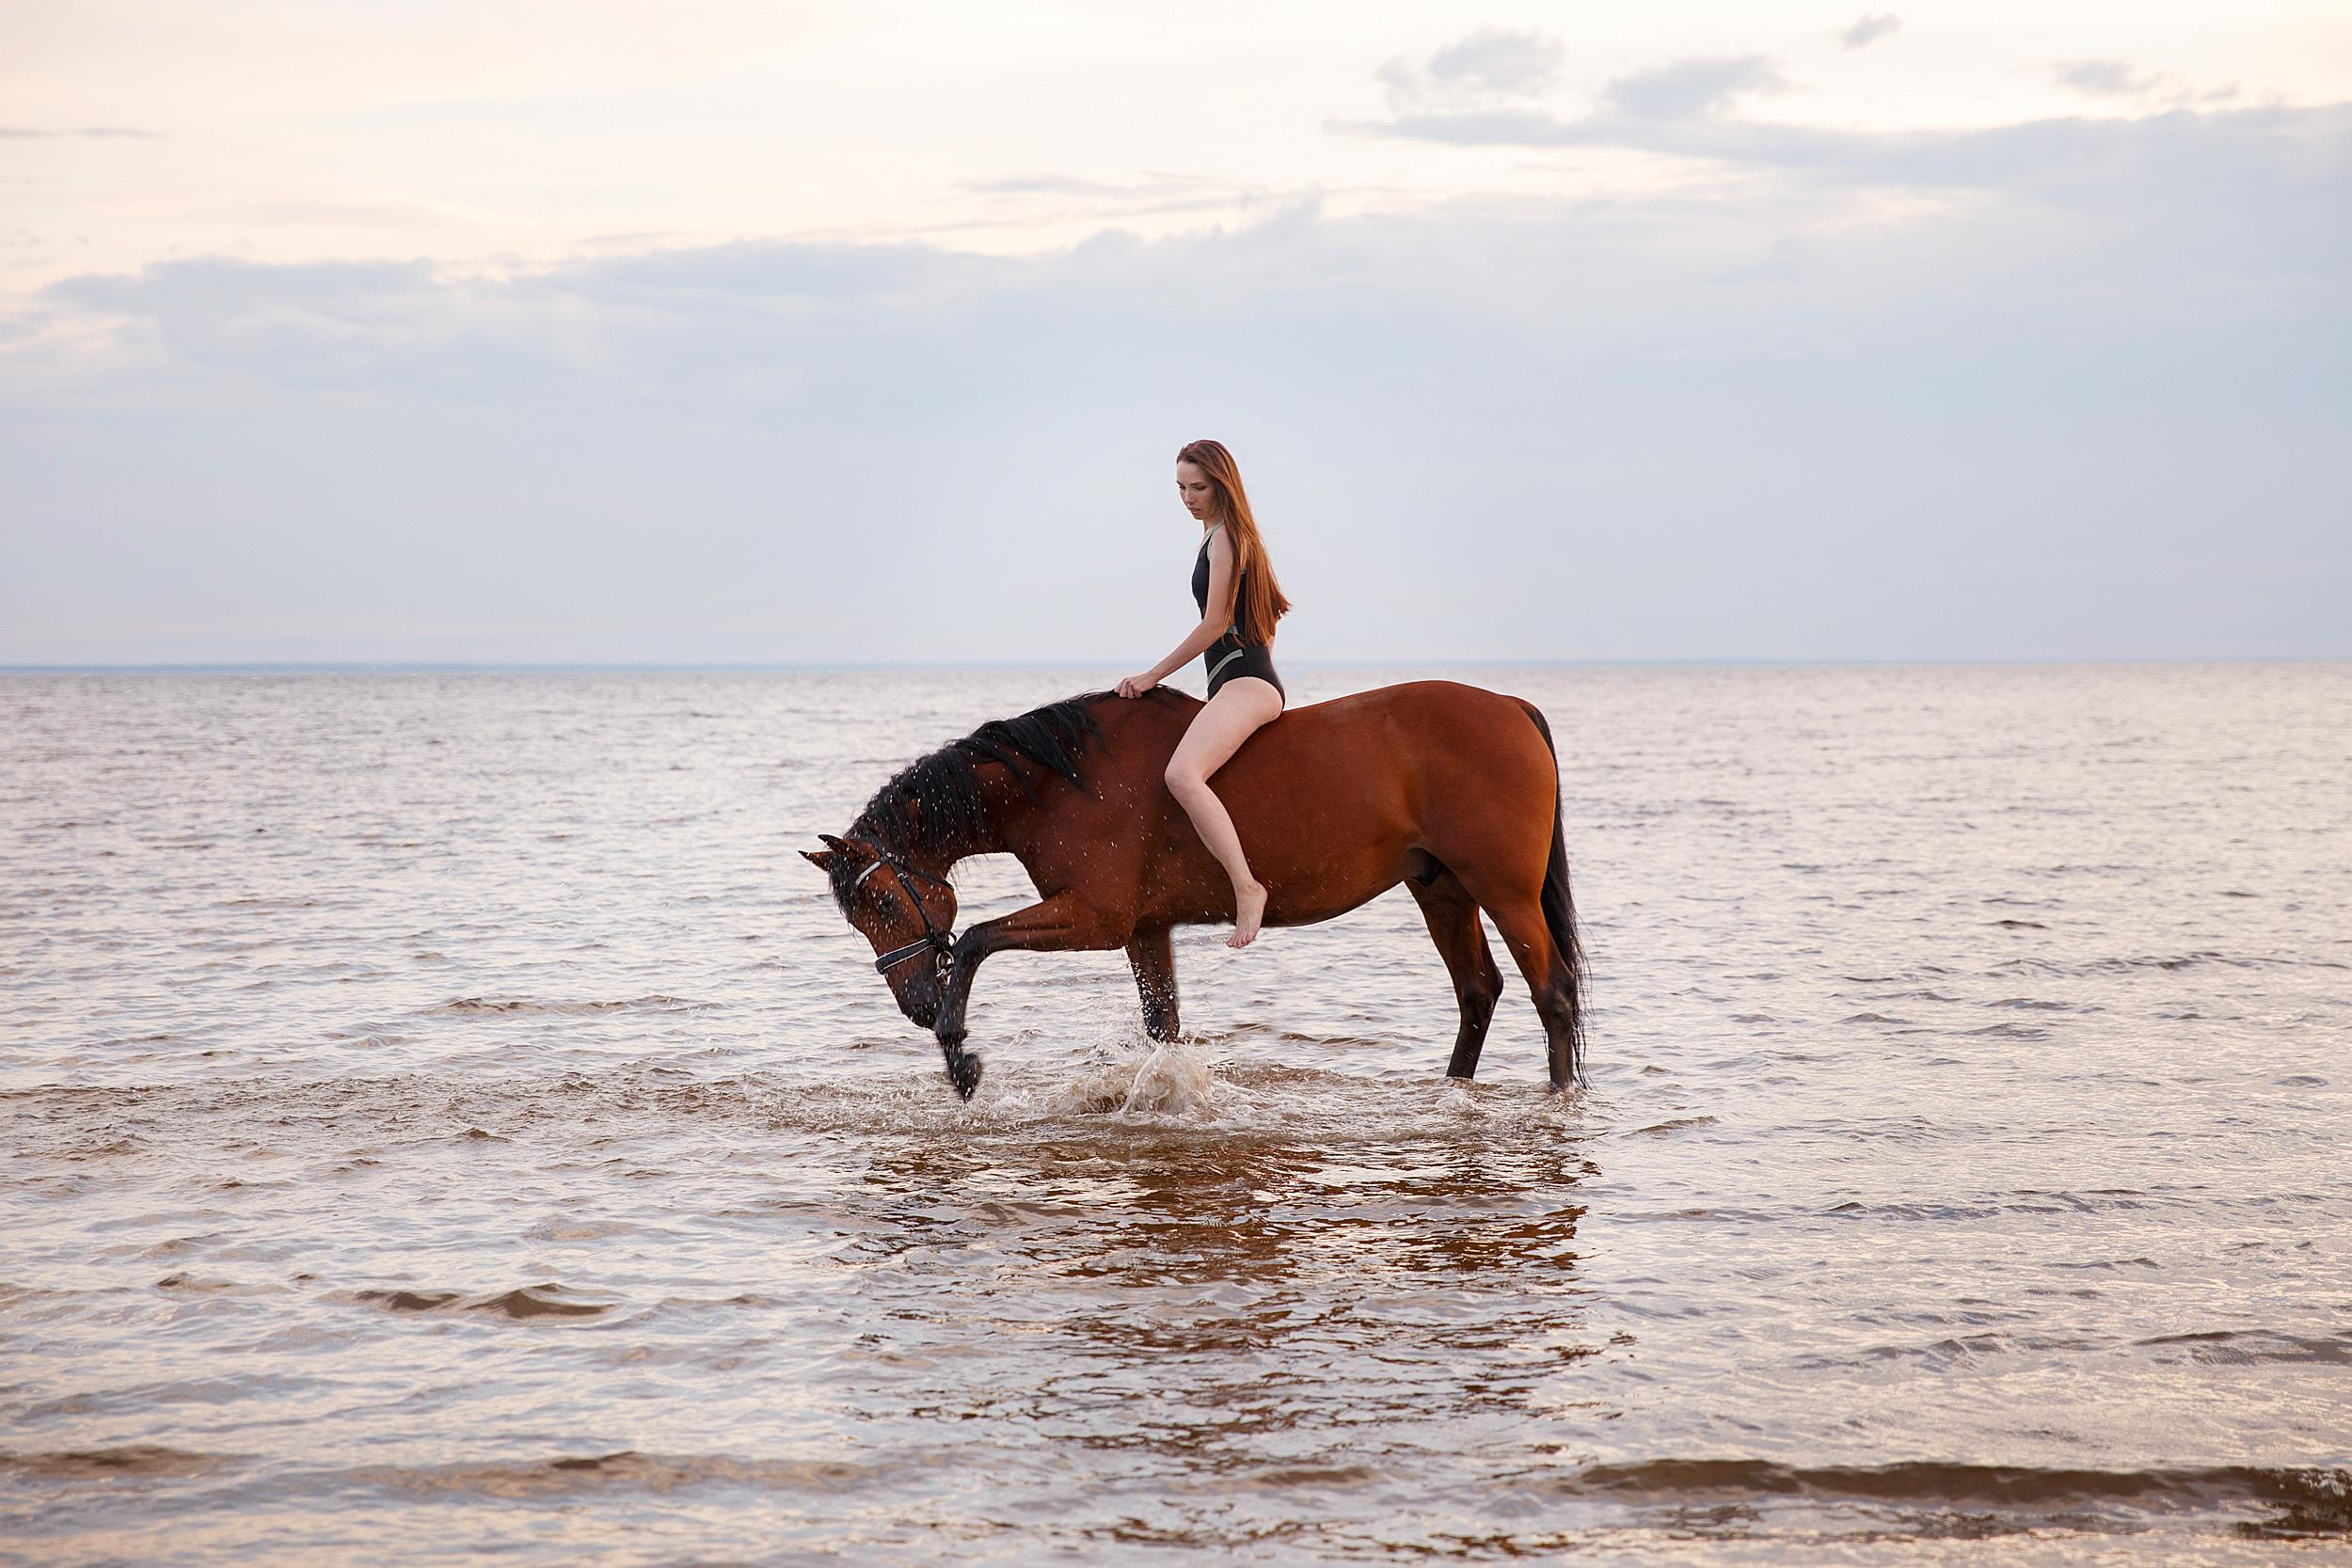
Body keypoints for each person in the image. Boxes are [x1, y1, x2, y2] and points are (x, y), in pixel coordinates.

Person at [1116, 438, 1292, 947]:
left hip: (1247, 685)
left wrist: (1153, 676)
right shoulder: (1224, 535)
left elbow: (1215, 624)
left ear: (1222, 484)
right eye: (1180, 488)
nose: (1188, 498)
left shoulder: (1225, 539)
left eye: (1198, 487)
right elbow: (1264, 618)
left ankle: (1246, 887)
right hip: (1240, 683)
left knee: (1182, 775)